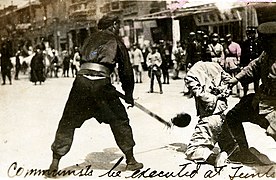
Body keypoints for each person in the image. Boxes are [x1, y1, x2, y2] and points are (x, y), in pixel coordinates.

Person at [47, 15, 143, 177]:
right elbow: (126, 70)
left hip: (81, 82)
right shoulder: (116, 41)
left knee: (68, 121)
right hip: (101, 84)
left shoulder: (89, 39)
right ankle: (131, 161)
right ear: (113, 25)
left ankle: (54, 162)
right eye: (117, 26)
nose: (118, 29)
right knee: (119, 120)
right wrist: (128, 94)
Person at [218, 22, 276, 164]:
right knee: (232, 117)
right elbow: (254, 66)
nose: (260, 43)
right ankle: (243, 153)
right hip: (260, 101)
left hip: (273, 108)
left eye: (264, 40)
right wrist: (235, 79)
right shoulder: (267, 54)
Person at [184, 60, 232, 167]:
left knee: (192, 150)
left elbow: (200, 95)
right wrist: (222, 91)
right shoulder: (215, 65)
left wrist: (215, 96)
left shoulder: (191, 73)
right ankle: (237, 152)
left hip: (209, 116)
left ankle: (214, 158)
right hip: (223, 113)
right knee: (229, 145)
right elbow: (230, 81)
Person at [240, 27, 262, 95]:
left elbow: (260, 53)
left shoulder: (258, 43)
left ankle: (256, 94)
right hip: (247, 64)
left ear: (254, 34)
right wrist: (242, 64)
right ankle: (245, 93)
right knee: (246, 80)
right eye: (249, 34)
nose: (250, 35)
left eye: (252, 33)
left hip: (256, 64)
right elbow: (243, 54)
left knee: (256, 80)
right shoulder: (245, 43)